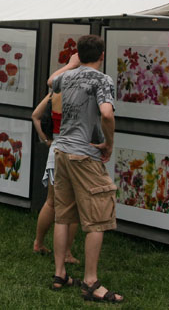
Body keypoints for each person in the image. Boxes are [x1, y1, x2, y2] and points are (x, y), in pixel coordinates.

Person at [47, 35, 123, 303]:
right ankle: (91, 282)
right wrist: (109, 143)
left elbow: (50, 82)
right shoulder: (102, 80)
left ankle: (60, 274)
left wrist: (70, 64)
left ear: (79, 54)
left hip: (62, 152)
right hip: (84, 154)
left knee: (63, 215)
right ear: (102, 54)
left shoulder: (67, 78)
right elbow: (106, 113)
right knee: (97, 218)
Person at [32, 91, 79, 264]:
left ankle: (39, 243)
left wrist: (47, 141)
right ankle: (66, 252)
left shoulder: (56, 91)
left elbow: (35, 116)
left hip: (55, 148)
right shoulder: (80, 91)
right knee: (72, 206)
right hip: (72, 149)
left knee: (51, 202)